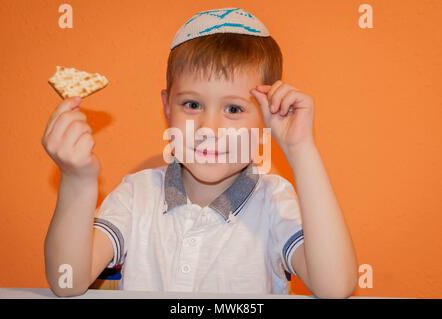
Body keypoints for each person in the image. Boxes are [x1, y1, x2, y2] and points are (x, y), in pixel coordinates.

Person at [42, 7, 358, 298]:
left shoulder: (274, 203)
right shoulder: (136, 196)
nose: (209, 128)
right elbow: (66, 281)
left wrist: (300, 148)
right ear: (167, 107)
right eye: (192, 105)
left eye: (233, 108)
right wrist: (77, 181)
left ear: (266, 115)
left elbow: (335, 286)